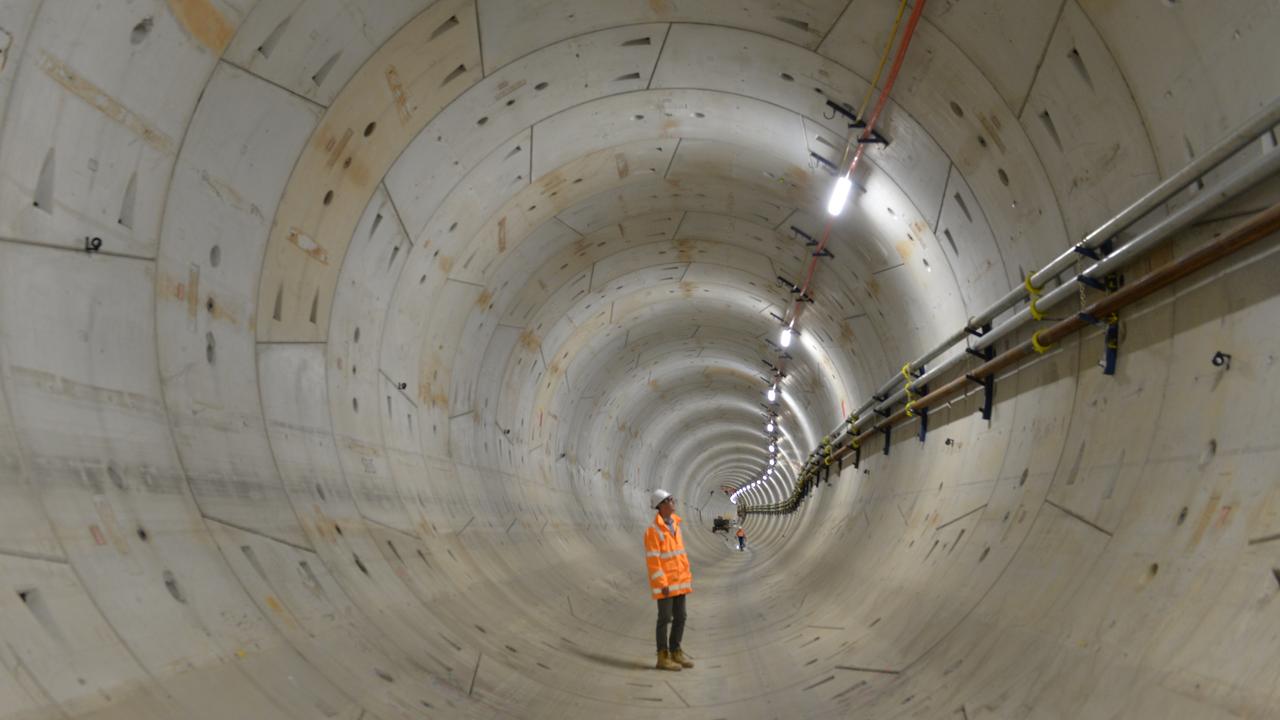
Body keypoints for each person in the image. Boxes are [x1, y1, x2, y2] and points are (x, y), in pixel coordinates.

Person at [645, 489, 693, 671]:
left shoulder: (676, 525)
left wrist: (686, 577)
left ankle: (676, 651)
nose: (674, 503)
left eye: (673, 500)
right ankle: (662, 656)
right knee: (665, 618)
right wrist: (662, 583)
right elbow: (653, 560)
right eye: (670, 500)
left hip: (680, 581)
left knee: (681, 616)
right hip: (665, 584)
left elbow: (679, 555)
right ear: (661, 505)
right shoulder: (653, 531)